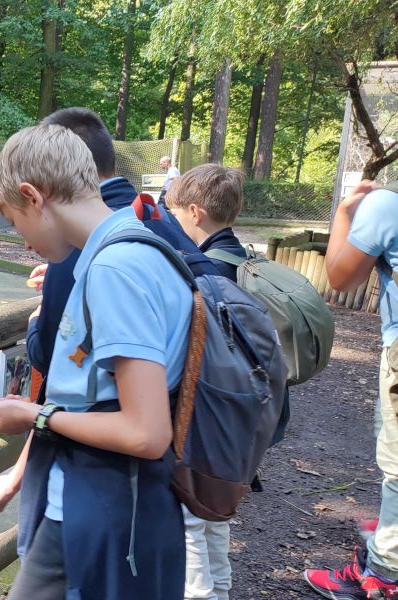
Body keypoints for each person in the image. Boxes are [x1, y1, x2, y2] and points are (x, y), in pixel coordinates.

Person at [0, 122, 190, 599]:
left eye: (13, 220)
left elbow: (146, 434)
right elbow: (91, 390)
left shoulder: (115, 270)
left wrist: (35, 415)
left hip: (101, 515)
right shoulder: (128, 247)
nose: (21, 239)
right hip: (110, 508)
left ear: (33, 195)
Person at [303, 180, 398, 600]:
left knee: (397, 468)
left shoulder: (386, 205)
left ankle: (383, 575)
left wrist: (344, 212)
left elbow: (340, 276)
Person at [165, 163, 247, 600]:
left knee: (192, 520)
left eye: (176, 211)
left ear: (194, 212)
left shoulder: (206, 273)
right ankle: (221, 590)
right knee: (215, 518)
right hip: (237, 419)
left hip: (205, 419)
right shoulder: (242, 258)